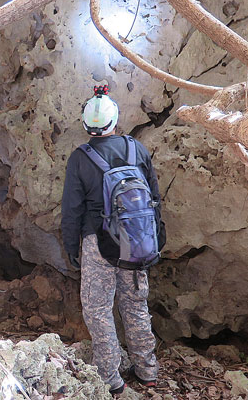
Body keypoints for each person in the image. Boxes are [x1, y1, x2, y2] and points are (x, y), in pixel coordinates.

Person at [60, 86, 165, 396]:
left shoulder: (81, 158)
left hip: (98, 244)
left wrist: (71, 245)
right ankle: (147, 369)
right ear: (115, 121)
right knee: (135, 304)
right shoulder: (138, 150)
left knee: (98, 309)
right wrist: (156, 238)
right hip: (137, 240)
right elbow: (155, 199)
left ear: (86, 125)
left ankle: (110, 377)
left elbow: (71, 209)